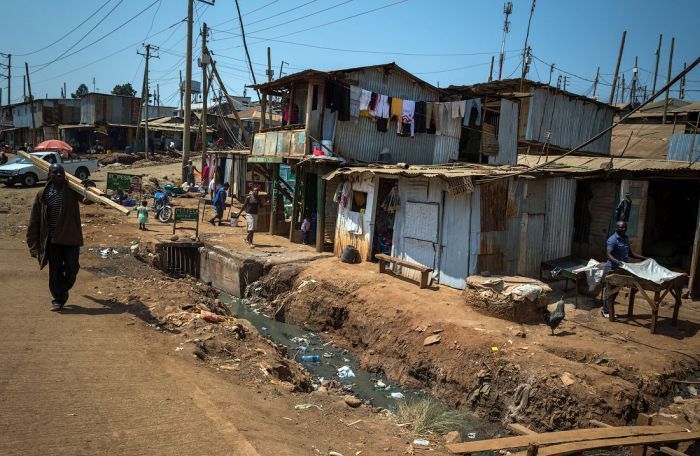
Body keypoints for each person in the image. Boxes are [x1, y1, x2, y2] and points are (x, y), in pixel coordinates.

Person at [26, 164, 92, 312]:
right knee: (54, 270)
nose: (59, 175)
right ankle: (58, 299)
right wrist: (33, 245)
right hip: (52, 239)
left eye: (61, 172)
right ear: (49, 174)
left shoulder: (72, 190)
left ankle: (62, 289)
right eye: (55, 172)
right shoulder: (42, 193)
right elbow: (34, 220)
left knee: (72, 269)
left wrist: (90, 186)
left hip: (70, 237)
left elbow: (88, 199)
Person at [602, 221, 647, 319]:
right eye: (621, 228)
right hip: (612, 269)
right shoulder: (613, 240)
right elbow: (608, 254)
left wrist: (642, 258)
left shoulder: (625, 238)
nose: (623, 229)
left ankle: (608, 309)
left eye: (625, 227)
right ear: (616, 228)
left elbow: (631, 254)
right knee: (609, 290)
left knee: (616, 290)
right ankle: (606, 311)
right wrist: (617, 261)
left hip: (621, 269)